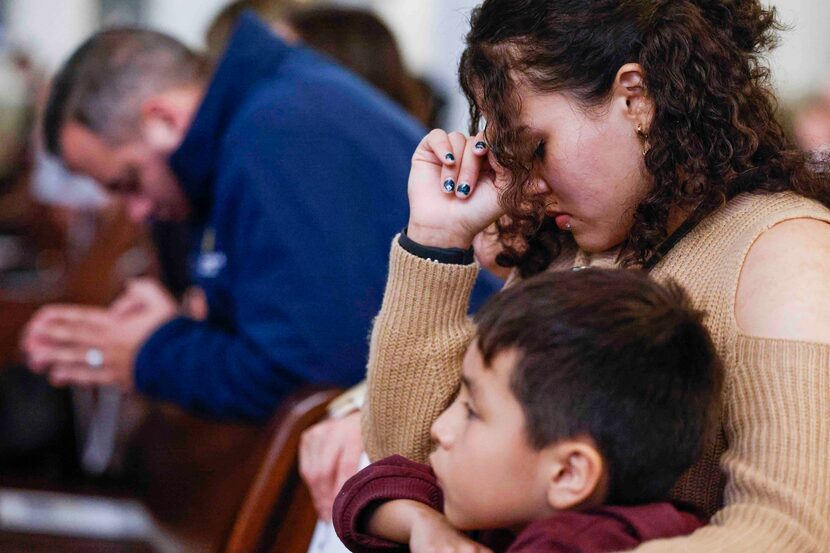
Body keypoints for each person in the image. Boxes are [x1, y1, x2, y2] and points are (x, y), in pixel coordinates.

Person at [361, 1, 830, 552]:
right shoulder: (573, 248)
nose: (522, 181)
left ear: (636, 97)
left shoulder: (789, 253)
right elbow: (420, 465)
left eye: (534, 146)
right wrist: (437, 241)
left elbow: (791, 530)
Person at [20, 13, 436, 421]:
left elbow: (308, 372)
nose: (138, 211)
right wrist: (175, 330)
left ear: (163, 118)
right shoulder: (267, 110)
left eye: (129, 182)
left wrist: (151, 353)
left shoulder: (275, 133)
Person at [334, 269, 719, 553]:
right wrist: (424, 524)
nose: (440, 428)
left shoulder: (585, 544)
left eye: (472, 412)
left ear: (568, 473)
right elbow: (369, 488)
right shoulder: (505, 506)